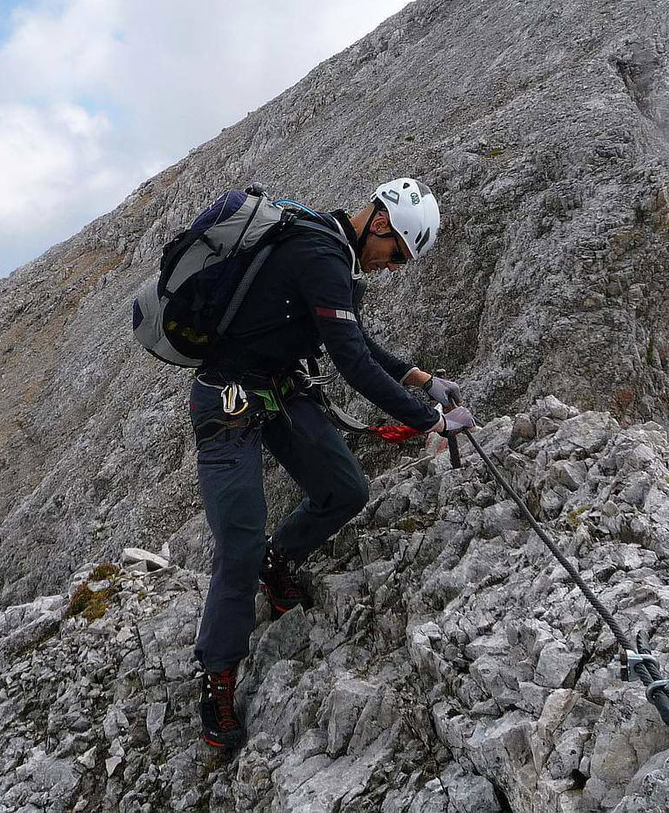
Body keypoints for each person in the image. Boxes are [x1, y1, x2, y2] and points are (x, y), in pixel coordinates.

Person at [188, 177, 475, 748]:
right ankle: (217, 672)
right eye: (396, 253)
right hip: (226, 401)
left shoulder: (333, 254)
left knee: (345, 490)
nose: (393, 268)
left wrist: (423, 379)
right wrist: (431, 421)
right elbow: (353, 365)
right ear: (380, 223)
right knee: (238, 544)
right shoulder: (319, 254)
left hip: (279, 389)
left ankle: (283, 557)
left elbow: (357, 340)